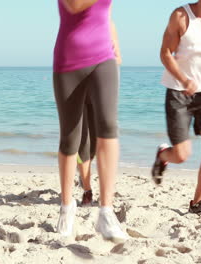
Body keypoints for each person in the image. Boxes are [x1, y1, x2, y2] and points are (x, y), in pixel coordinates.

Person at [53, 0, 128, 242]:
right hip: (68, 61)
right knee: (70, 137)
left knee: (108, 128)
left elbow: (106, 15)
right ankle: (67, 207)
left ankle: (106, 211)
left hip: (103, 59)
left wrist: (116, 48)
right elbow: (74, 5)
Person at [152, 0, 201, 216]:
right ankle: (162, 156)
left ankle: (197, 202)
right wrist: (184, 79)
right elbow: (165, 53)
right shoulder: (181, 16)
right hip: (179, 91)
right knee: (181, 155)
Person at [77, 19, 122, 207]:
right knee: (83, 144)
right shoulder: (74, 22)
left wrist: (105, 60)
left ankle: (83, 175)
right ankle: (87, 190)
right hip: (77, 91)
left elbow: (118, 58)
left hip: (100, 92)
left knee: (96, 145)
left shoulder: (108, 24)